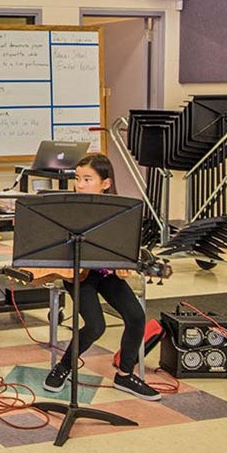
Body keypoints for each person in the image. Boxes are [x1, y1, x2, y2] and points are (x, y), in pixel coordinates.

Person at [43, 153, 159, 400]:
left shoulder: (119, 211)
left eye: (87, 179)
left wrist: (122, 265)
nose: (80, 185)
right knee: (96, 325)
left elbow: (123, 247)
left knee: (136, 316)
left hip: (105, 274)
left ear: (106, 183)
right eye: (77, 178)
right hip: (78, 273)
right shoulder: (67, 208)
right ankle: (63, 366)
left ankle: (125, 375)